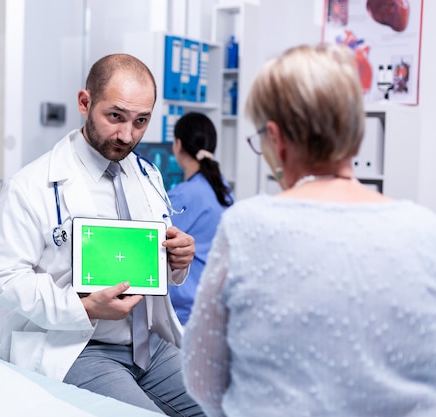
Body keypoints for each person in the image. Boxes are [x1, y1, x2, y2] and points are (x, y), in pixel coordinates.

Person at [181, 43, 436, 417]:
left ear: (276, 138)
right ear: (357, 134)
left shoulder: (247, 227)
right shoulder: (424, 229)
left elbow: (203, 379)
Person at [0, 53, 205, 416]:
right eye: (115, 116)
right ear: (85, 102)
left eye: (141, 121)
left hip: (149, 345)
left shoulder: (148, 176)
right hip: (78, 345)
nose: (127, 135)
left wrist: (178, 259)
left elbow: (151, 261)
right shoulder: (31, 185)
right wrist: (81, 306)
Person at [166, 112, 234, 325]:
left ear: (178, 145)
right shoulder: (224, 189)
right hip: (213, 303)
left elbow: (151, 242)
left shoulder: (184, 196)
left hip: (184, 311)